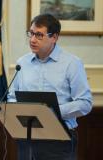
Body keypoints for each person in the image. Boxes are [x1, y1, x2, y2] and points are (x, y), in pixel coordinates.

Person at [7, 13, 92, 160]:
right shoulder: (22, 63)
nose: (32, 39)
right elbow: (12, 97)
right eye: (31, 33)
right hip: (27, 139)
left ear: (54, 37)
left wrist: (51, 112)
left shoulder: (72, 63)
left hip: (59, 140)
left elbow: (85, 103)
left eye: (39, 35)